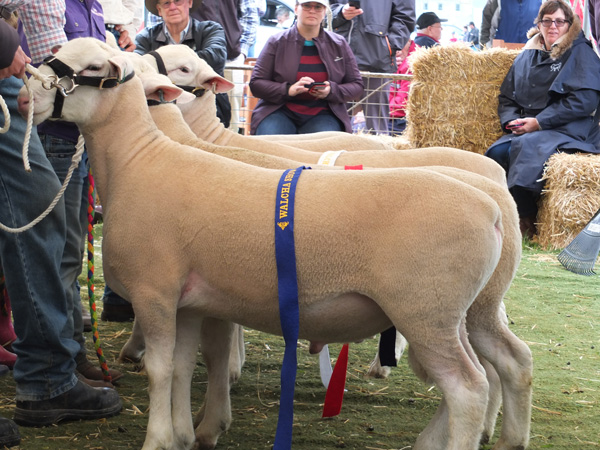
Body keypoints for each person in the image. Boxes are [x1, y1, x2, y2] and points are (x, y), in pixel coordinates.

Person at [0, 2, 122, 441]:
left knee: (43, 220)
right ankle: (48, 379)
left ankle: (49, 375)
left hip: (14, 87)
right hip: (14, 84)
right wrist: (5, 42)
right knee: (40, 218)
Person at [485, 0, 600, 238]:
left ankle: (525, 219)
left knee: (525, 150)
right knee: (495, 154)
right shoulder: (528, 54)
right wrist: (511, 121)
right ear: (539, 24)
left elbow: (584, 102)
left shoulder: (581, 53)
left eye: (559, 21)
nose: (553, 26)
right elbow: (507, 97)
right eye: (547, 21)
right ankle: (503, 215)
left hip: (567, 127)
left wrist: (539, 122)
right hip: (530, 127)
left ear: (569, 24)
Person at [249, 0, 363, 135]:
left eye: (318, 7)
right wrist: (288, 90)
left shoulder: (338, 43)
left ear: (325, 12)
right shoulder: (277, 41)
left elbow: (356, 85)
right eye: (307, 6)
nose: (312, 10)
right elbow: (256, 83)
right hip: (278, 110)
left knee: (324, 146)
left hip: (325, 113)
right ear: (296, 9)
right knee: (270, 142)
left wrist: (331, 91)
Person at [330, 0, 415, 135]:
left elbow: (405, 17)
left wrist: (390, 46)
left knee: (377, 128)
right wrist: (340, 13)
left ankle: (379, 155)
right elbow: (322, 9)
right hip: (338, 58)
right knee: (335, 124)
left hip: (377, 59)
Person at [388, 39, 416, 135]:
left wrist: (382, 112)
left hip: (400, 119)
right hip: (390, 114)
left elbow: (402, 102)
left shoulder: (414, 63)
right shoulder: (390, 59)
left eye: (399, 46)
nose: (397, 51)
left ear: (408, 41)